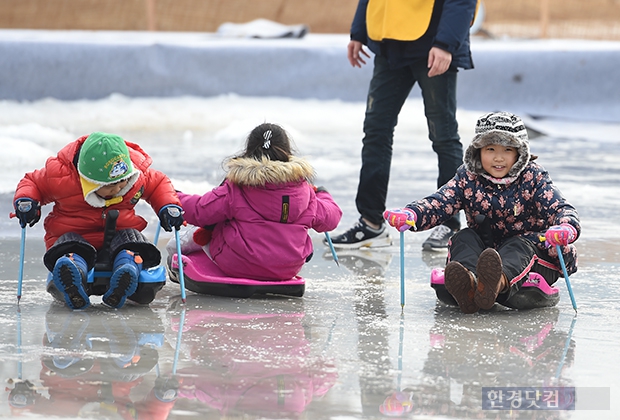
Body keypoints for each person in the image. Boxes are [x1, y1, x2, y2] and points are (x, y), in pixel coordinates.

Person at [383, 111, 580, 313]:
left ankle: (496, 283)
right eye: (490, 149)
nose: (498, 157)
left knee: (518, 245)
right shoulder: (469, 177)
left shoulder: (533, 177)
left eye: (507, 149)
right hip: (487, 257)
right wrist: (413, 214)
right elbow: (441, 201)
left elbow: (559, 206)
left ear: (520, 153)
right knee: (464, 236)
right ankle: (469, 283)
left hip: (534, 254)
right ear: (478, 151)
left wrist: (566, 226)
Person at [329, 0, 479, 251]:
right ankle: (371, 223)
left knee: (443, 135)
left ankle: (449, 223)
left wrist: (445, 43)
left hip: (433, 42)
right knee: (375, 131)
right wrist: (359, 31)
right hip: (390, 45)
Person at [13, 132, 184, 310]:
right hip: (76, 236)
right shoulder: (61, 178)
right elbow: (33, 182)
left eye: (123, 181)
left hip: (119, 235)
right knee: (70, 244)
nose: (119, 188)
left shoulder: (135, 180)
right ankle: (72, 272)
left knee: (132, 240)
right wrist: (27, 200)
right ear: (90, 182)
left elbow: (158, 184)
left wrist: (168, 206)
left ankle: (126, 270)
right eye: (111, 186)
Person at [173, 122, 342, 280]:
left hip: (239, 264)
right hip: (288, 268)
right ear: (287, 153)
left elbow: (199, 211)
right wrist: (322, 193)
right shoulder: (305, 193)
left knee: (204, 225)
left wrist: (171, 196)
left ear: (248, 151)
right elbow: (331, 218)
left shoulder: (237, 188)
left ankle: (176, 266)